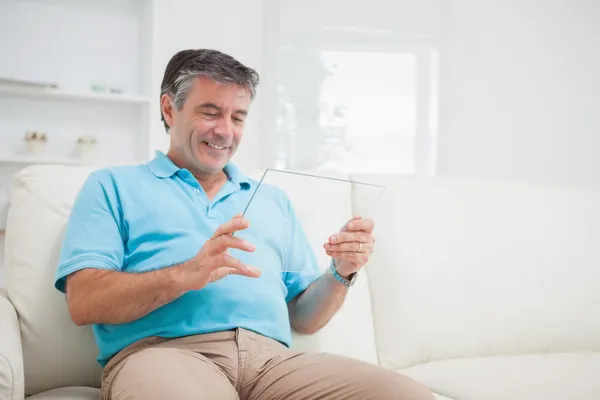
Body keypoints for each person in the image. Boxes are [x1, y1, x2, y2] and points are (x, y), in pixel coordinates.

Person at [54, 49, 435, 400]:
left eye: (237, 117)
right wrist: (186, 274)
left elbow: (304, 317)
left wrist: (341, 272)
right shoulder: (112, 187)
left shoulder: (272, 200)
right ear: (170, 109)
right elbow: (84, 302)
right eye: (210, 112)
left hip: (272, 364)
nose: (225, 131)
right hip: (166, 355)